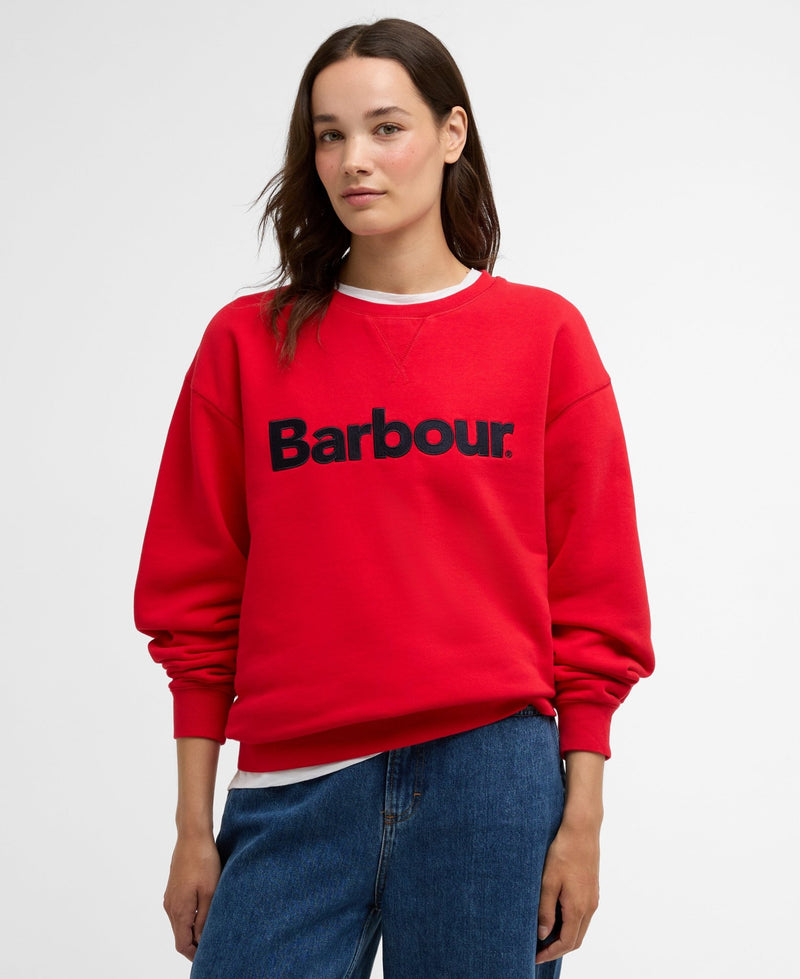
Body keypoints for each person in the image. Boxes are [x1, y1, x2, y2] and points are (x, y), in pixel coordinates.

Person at [134, 17, 655, 979]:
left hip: (490, 780)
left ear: (452, 133)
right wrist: (192, 827)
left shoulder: (542, 336)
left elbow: (595, 594)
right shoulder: (246, 344)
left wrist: (581, 819)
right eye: (329, 135)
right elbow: (196, 598)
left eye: (385, 128)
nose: (354, 161)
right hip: (293, 781)